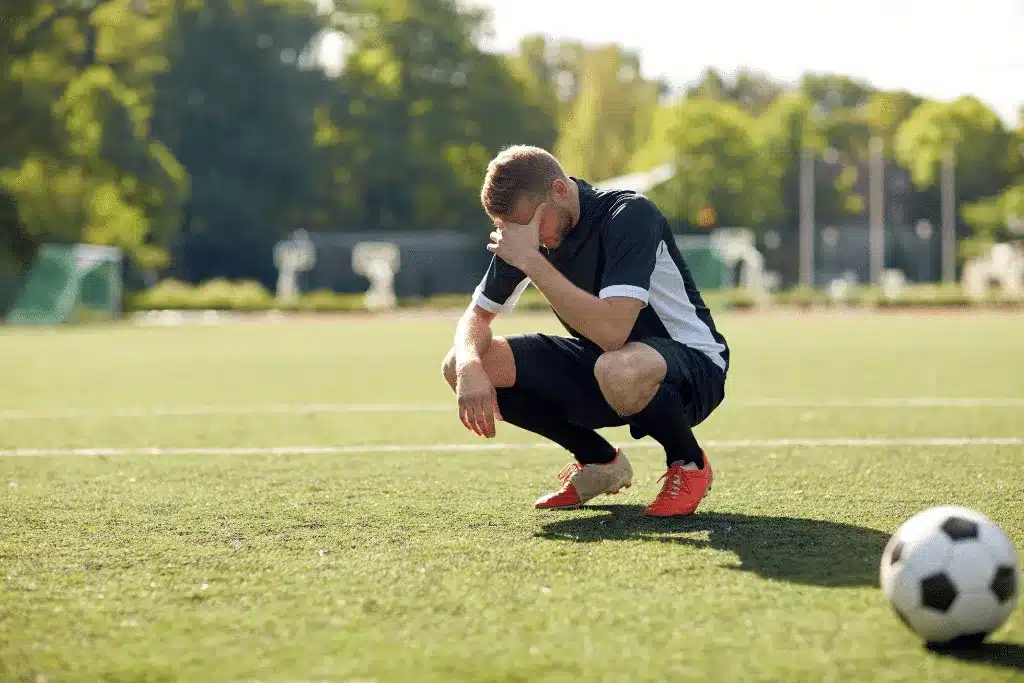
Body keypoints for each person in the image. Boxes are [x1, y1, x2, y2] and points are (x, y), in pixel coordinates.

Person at [441, 145, 729, 517]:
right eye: (513, 229)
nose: (533, 238)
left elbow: (613, 331)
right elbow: (475, 318)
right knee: (462, 362)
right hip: (607, 365)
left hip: (693, 365)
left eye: (532, 225)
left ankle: (688, 463)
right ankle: (599, 462)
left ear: (560, 191)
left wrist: (530, 260)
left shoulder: (629, 215)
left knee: (617, 367)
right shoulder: (530, 232)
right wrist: (467, 366)